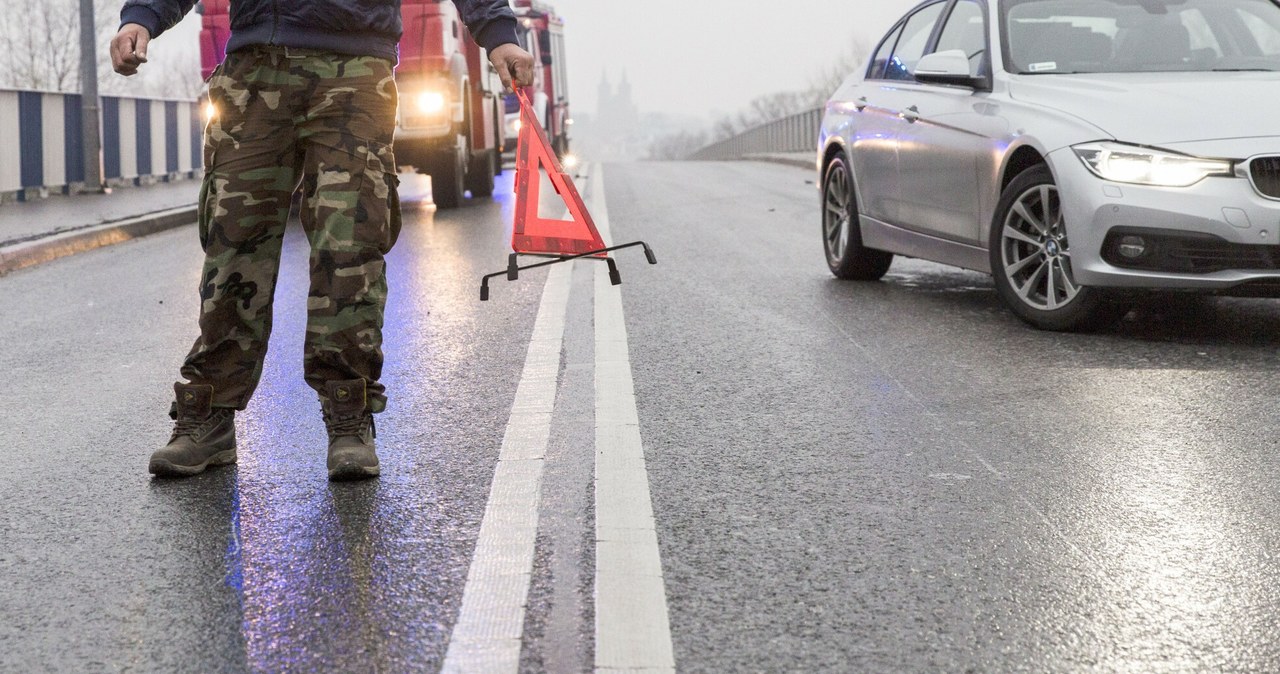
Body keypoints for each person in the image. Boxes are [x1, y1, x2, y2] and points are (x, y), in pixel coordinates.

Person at [110, 0, 535, 481]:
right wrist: (141, 17)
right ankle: (208, 415)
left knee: (349, 246)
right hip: (253, 70)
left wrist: (498, 34)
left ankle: (349, 414)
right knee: (233, 248)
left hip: (353, 71)